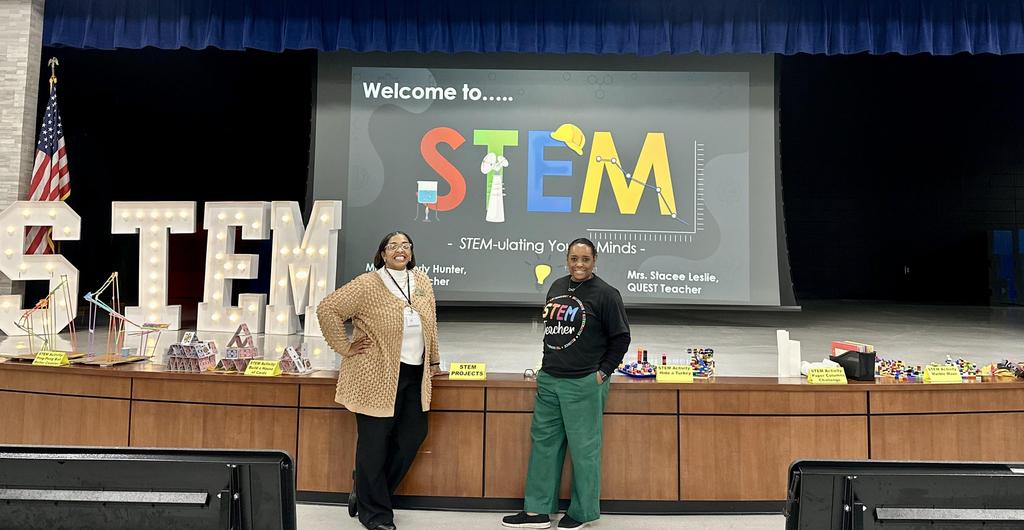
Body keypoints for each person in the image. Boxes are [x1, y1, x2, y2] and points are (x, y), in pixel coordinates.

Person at [502, 238, 630, 529]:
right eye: (574, 258)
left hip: (584, 382)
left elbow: (621, 337)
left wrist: (603, 372)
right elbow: (553, 331)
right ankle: (536, 512)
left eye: (585, 259)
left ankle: (582, 512)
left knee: (584, 450)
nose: (579, 264)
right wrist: (545, 366)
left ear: (595, 260)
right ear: (567, 259)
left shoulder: (607, 294)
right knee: (543, 445)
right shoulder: (557, 286)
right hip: (550, 380)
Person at [317, 231, 441, 530]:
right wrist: (345, 347)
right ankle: (376, 514)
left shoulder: (422, 281)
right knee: (374, 444)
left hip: (414, 372)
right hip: (376, 374)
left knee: (413, 435)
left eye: (406, 246)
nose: (401, 250)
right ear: (382, 253)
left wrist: (434, 359)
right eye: (394, 246)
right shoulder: (367, 284)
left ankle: (366, 488)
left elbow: (431, 323)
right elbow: (327, 309)